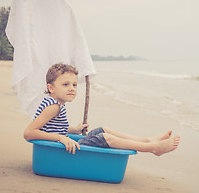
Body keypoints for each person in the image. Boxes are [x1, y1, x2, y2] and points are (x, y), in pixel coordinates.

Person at [24, 63, 181, 155]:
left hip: (63, 144)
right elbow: (29, 133)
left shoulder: (56, 104)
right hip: (57, 151)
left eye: (74, 84)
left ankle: (147, 140)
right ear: (51, 88)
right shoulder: (53, 107)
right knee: (106, 138)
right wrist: (61, 138)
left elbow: (53, 128)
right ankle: (152, 148)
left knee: (102, 129)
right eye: (65, 85)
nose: (72, 88)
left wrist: (73, 130)